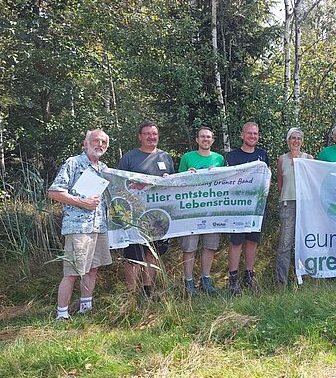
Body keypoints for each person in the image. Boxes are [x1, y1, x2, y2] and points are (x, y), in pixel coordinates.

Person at [48, 129, 113, 320]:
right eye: (96, 141)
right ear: (86, 143)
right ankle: (62, 314)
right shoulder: (74, 163)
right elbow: (54, 192)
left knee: (93, 269)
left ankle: (86, 307)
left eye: (104, 142)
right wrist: (82, 202)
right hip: (79, 228)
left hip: (99, 227)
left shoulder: (104, 168)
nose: (100, 145)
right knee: (73, 272)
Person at [118, 121, 176, 297]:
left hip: (158, 215)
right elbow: (119, 184)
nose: (152, 137)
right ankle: (130, 294)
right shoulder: (129, 157)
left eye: (154, 134)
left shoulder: (165, 157)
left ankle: (147, 291)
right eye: (147, 134)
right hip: (134, 216)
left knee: (152, 254)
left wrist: (168, 179)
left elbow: (173, 184)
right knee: (133, 256)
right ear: (140, 136)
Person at [178, 126, 225, 296]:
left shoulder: (219, 159)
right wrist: (187, 174)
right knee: (189, 247)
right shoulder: (187, 157)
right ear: (197, 140)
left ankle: (206, 279)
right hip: (191, 211)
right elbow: (177, 183)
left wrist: (219, 173)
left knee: (210, 246)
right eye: (202, 137)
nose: (205, 139)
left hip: (212, 211)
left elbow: (227, 181)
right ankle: (188, 281)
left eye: (209, 137)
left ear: (212, 140)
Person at [225, 122, 270, 295]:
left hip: (256, 209)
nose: (253, 136)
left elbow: (267, 178)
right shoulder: (232, 156)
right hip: (238, 209)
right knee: (236, 242)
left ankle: (249, 276)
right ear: (242, 135)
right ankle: (233, 279)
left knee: (252, 242)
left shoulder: (263, 155)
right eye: (249, 133)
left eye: (256, 134)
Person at [275, 128, 313, 285]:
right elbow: (280, 184)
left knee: (305, 242)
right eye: (293, 138)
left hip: (306, 205)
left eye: (299, 138)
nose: (296, 141)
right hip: (287, 204)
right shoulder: (281, 160)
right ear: (288, 140)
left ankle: (305, 277)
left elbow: (313, 181)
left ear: (302, 141)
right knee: (285, 243)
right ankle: (281, 282)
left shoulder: (308, 158)